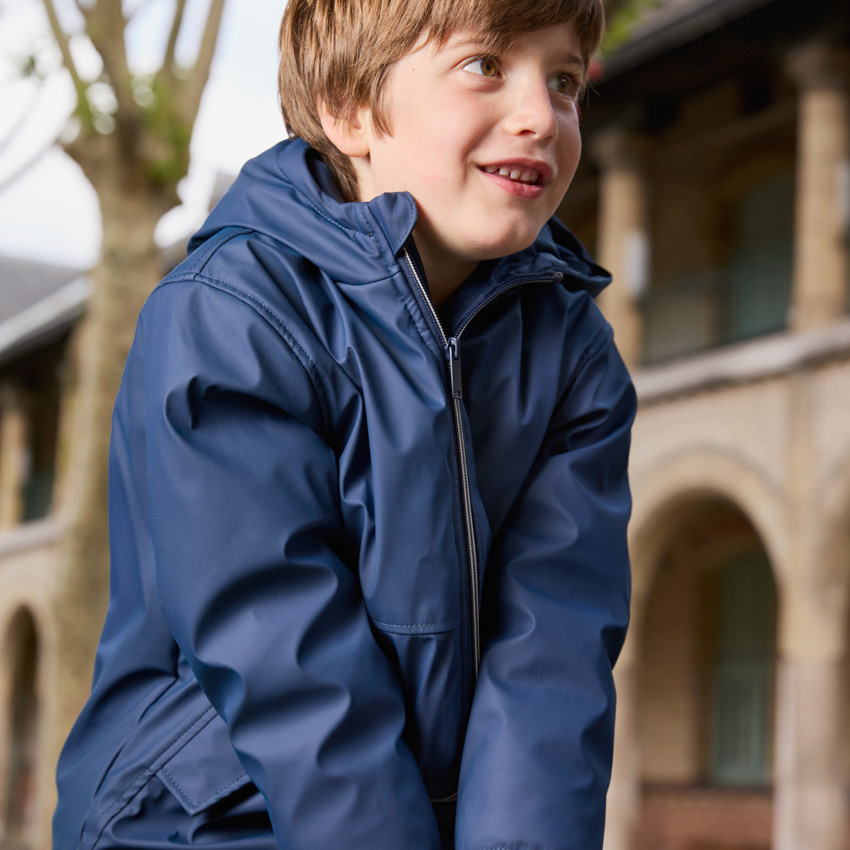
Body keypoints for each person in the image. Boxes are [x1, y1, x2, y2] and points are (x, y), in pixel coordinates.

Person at [53, 0, 636, 847]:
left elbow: (553, 669)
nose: (539, 116)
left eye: (565, 81)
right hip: (202, 823)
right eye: (485, 67)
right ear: (349, 109)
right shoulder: (230, 317)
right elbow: (295, 682)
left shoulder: (575, 355)